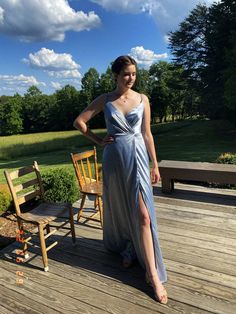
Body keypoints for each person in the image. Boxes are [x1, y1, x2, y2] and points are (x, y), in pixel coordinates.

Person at [73, 55, 168, 304]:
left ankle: (153, 274)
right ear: (115, 75)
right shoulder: (105, 100)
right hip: (115, 160)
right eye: (126, 74)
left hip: (138, 158)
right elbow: (79, 122)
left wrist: (155, 163)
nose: (131, 78)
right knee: (122, 208)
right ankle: (129, 247)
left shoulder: (143, 99)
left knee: (144, 215)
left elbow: (147, 134)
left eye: (134, 73)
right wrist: (98, 141)